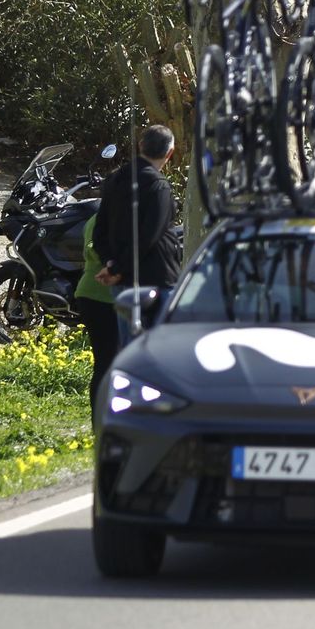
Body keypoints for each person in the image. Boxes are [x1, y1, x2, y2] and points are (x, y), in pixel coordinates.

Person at [94, 124, 181, 294]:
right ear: (170, 153)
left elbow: (99, 231)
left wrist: (112, 265)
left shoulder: (115, 178)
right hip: (155, 280)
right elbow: (149, 237)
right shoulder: (159, 186)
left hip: (121, 281)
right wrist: (116, 269)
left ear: (141, 145)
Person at [73, 213, 116, 418]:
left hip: (89, 291)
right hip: (104, 294)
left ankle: (100, 423)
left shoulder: (93, 218)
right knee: (108, 364)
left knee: (103, 364)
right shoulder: (116, 219)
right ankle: (103, 423)